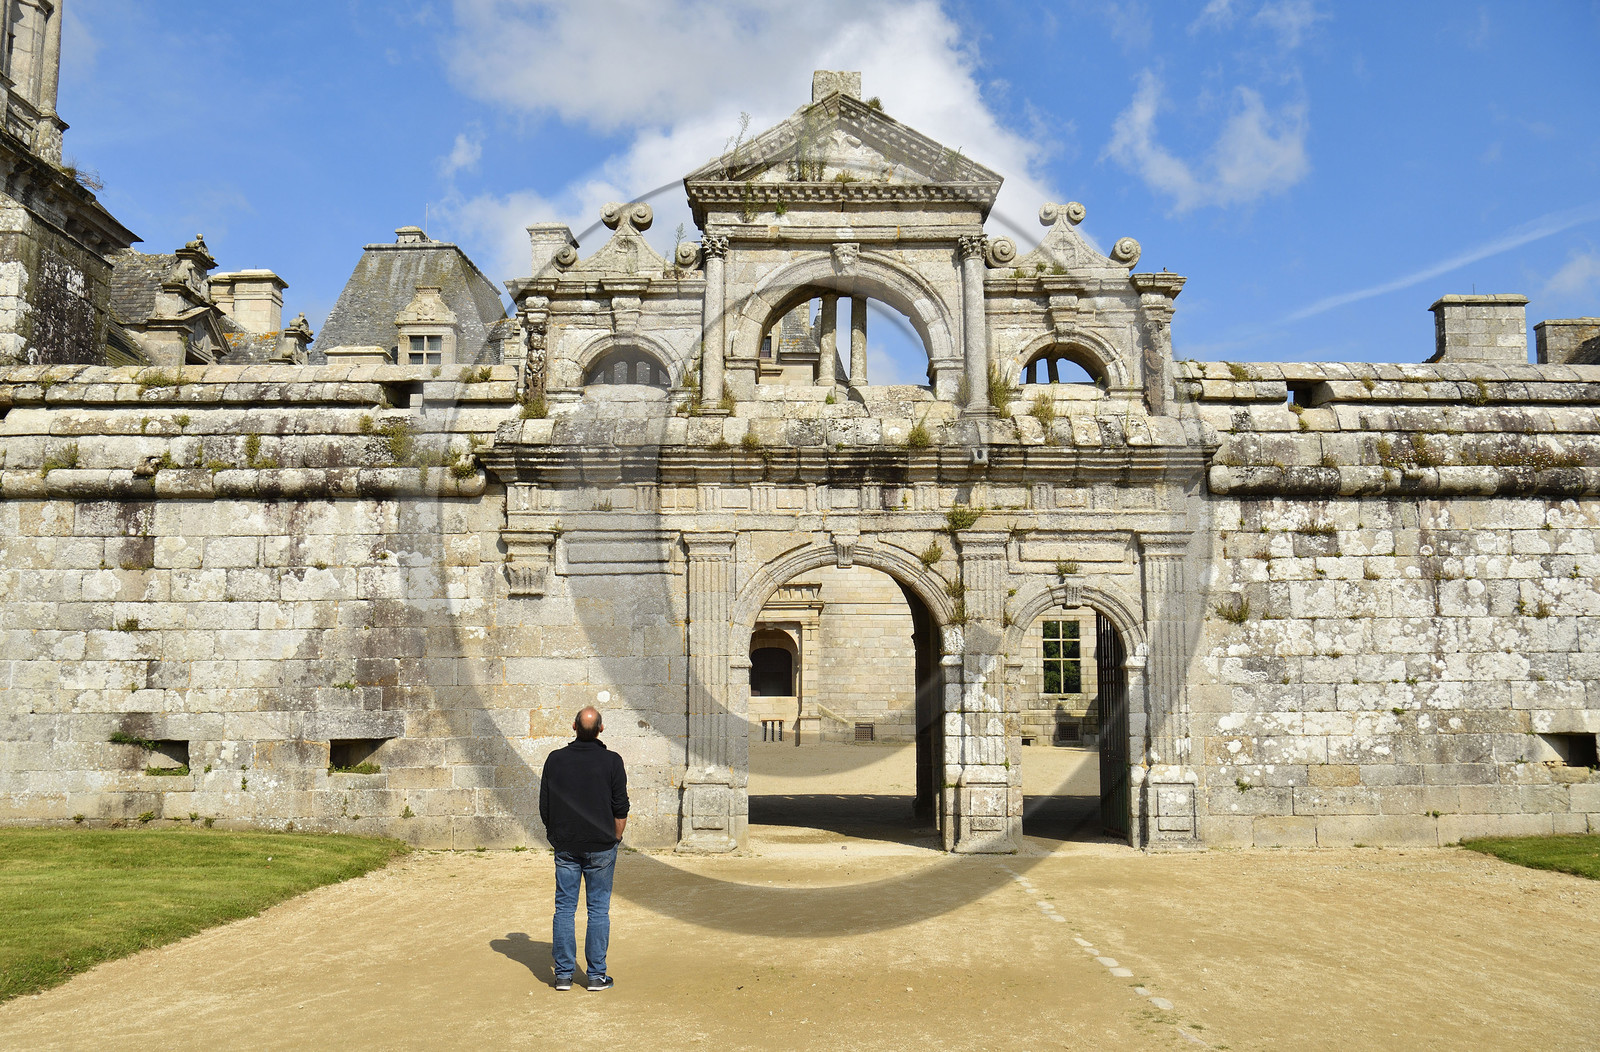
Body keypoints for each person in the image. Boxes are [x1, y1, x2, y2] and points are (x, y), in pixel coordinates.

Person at [538, 706, 629, 991]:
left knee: (564, 909)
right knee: (598, 910)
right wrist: (615, 837)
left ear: (573, 727)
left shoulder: (555, 760)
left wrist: (556, 836)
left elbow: (545, 805)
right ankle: (595, 975)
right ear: (601, 729)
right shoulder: (612, 761)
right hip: (601, 845)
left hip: (566, 844)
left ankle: (563, 975)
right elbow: (620, 807)